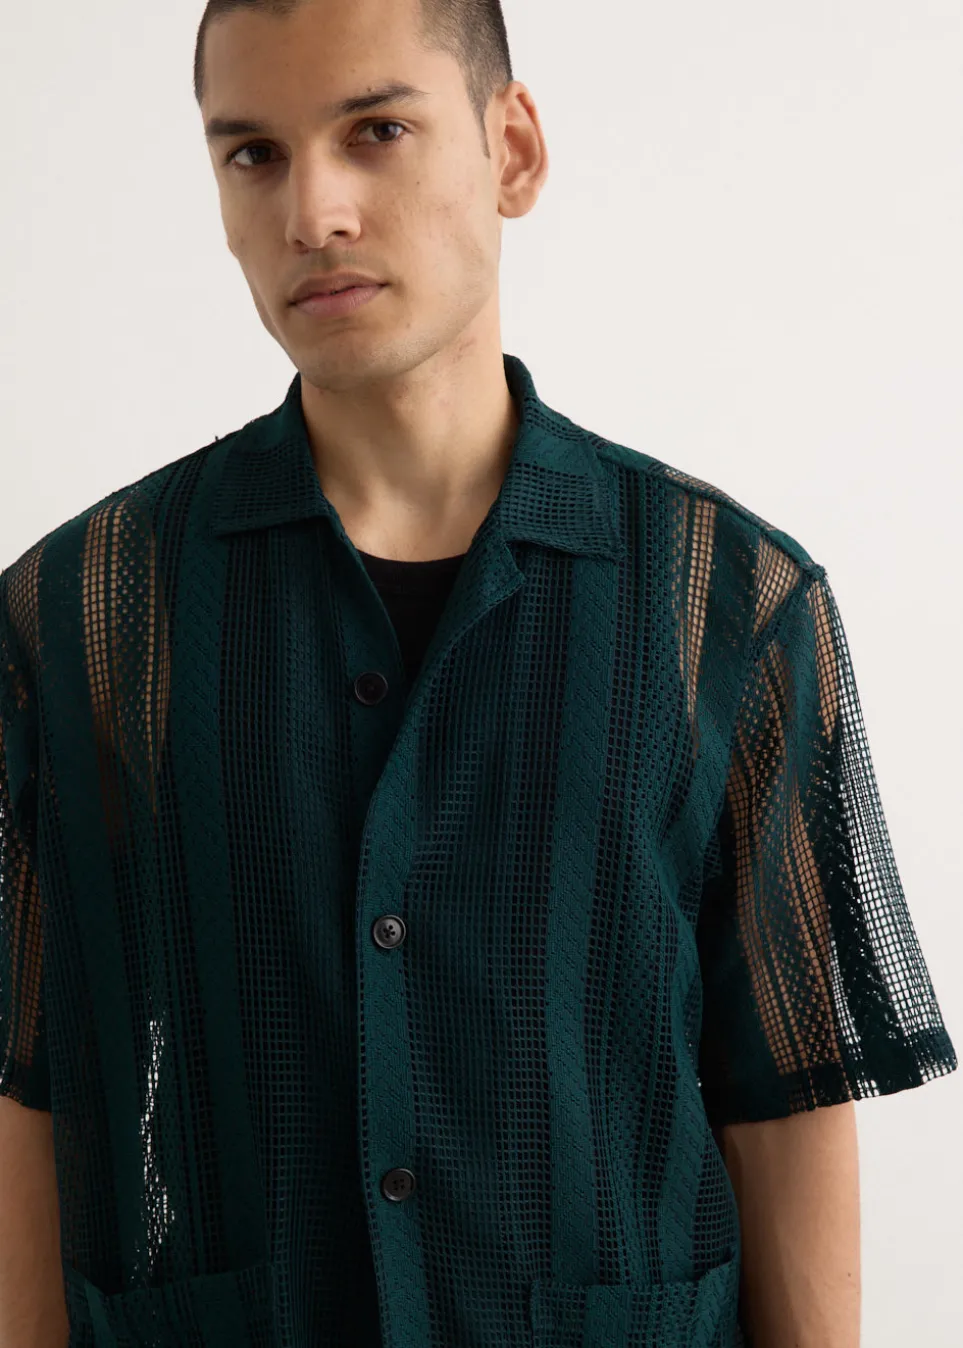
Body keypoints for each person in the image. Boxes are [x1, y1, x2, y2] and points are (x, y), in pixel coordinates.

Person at [0, 2, 955, 1346]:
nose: (313, 213)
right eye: (254, 154)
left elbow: (783, 1096)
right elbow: (33, 1079)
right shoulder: (86, 616)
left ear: (511, 150)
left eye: (376, 132)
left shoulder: (727, 602)